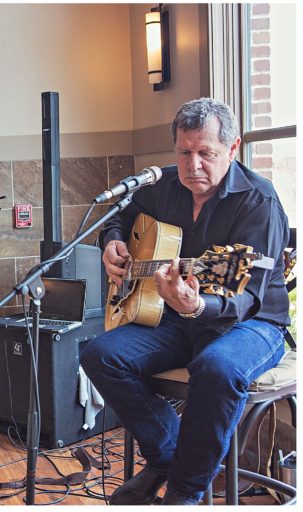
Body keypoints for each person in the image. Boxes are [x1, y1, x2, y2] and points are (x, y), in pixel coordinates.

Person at [80, 97, 289, 506]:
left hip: (252, 322)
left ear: (233, 148)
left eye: (206, 153)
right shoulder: (163, 185)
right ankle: (166, 455)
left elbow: (247, 296)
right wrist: (113, 241)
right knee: (100, 354)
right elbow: (119, 216)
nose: (193, 164)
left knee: (216, 367)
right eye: (184, 152)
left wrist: (196, 306)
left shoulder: (258, 202)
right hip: (177, 316)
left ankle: (183, 493)